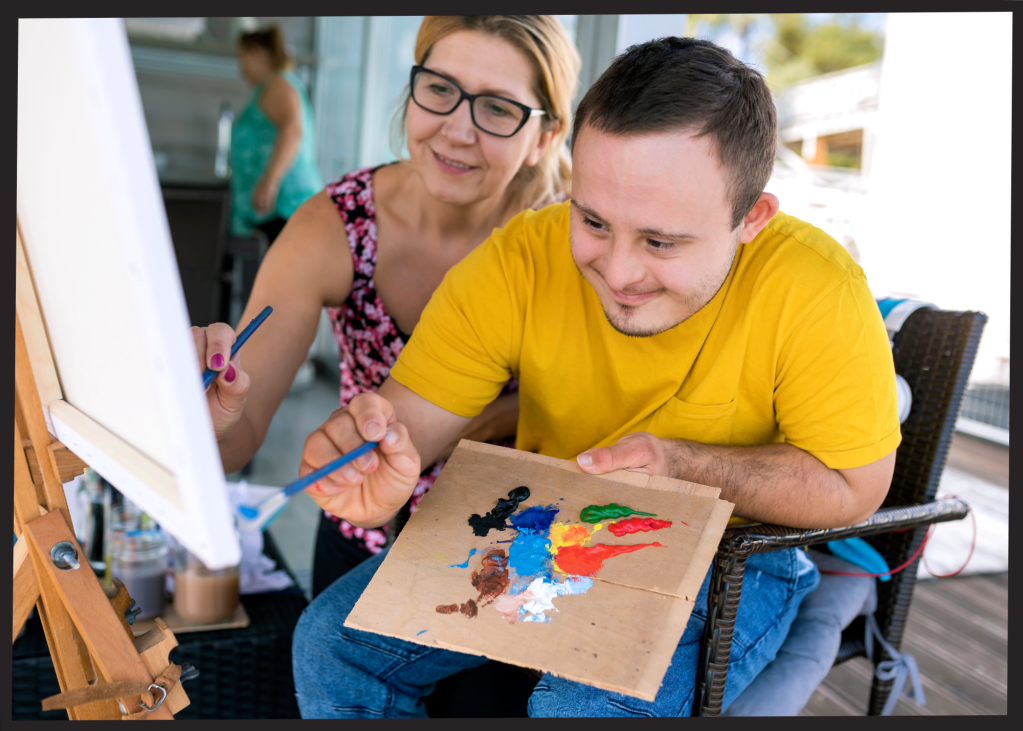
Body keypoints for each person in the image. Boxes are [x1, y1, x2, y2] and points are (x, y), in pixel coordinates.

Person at [289, 36, 901, 718]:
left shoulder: (816, 287)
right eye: (593, 221)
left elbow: (855, 486)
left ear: (750, 217)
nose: (617, 270)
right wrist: (370, 455)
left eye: (660, 241)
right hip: (547, 524)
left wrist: (682, 466)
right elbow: (406, 425)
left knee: (577, 708)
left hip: (732, 552)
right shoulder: (522, 258)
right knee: (329, 645)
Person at [193, 16, 580, 596]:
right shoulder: (337, 224)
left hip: (523, 559)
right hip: (365, 541)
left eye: (498, 108)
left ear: (545, 136)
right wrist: (211, 416)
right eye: (440, 89)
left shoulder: (581, 242)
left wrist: (487, 418)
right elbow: (238, 436)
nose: (457, 130)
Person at [231, 25, 322, 245]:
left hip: (285, 205)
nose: (241, 69)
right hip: (277, 209)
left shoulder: (278, 84)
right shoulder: (277, 84)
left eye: (243, 59)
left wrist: (270, 181)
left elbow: (293, 131)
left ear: (258, 54)